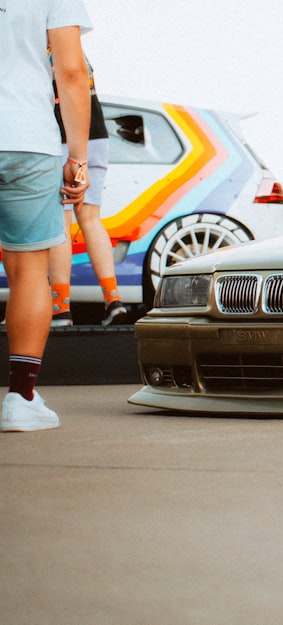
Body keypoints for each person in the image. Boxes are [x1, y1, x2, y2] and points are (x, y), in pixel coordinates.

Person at [0, 0, 92, 432]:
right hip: (25, 137)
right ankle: (21, 398)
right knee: (28, 271)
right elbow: (72, 71)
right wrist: (78, 157)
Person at [48, 54, 127, 327]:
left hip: (61, 136)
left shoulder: (41, 49)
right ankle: (114, 300)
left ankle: (60, 309)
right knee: (91, 219)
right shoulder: (78, 51)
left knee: (61, 222)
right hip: (96, 133)